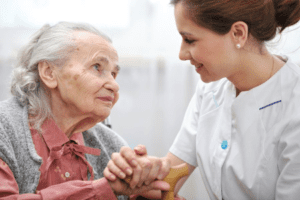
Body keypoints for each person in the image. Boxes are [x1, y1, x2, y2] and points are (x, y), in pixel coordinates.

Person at [105, 0, 300, 199]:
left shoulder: (295, 107)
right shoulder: (210, 89)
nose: (181, 54)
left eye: (190, 40)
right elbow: (170, 178)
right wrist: (136, 174)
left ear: (238, 33)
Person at [0, 21, 171, 200]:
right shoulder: (4, 129)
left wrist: (147, 184)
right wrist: (102, 189)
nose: (114, 85)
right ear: (49, 73)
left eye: (113, 74)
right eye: (97, 67)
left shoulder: (111, 144)